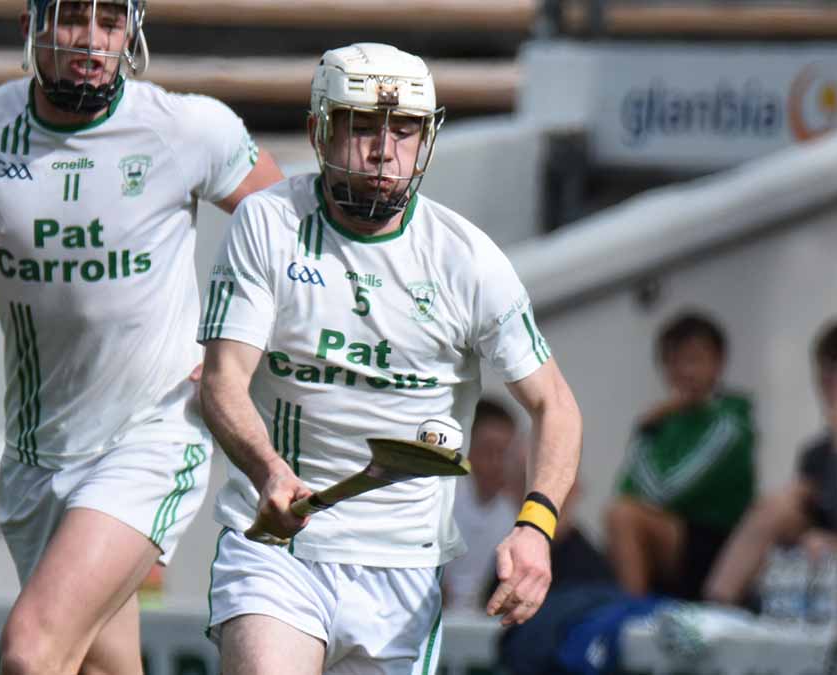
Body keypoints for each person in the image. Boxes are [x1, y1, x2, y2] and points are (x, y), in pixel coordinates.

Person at [0, 1, 283, 672]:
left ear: (132, 34)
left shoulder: (188, 129)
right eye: (71, 18)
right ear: (30, 26)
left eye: (110, 22)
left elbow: (287, 237)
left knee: (31, 650)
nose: (91, 41)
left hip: (154, 433)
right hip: (38, 455)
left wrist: (238, 348)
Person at [197, 42, 582, 674]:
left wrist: (535, 526)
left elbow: (555, 405)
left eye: (404, 130)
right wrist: (268, 470)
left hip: (403, 569)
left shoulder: (466, 259)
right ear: (319, 132)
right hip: (280, 550)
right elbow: (222, 380)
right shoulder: (268, 224)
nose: (384, 149)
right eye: (362, 127)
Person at [705, 321, 837, 621]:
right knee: (776, 508)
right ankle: (716, 610)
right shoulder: (817, 451)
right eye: (828, 377)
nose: (836, 389)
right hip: (827, 556)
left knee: (817, 548)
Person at [606, 311, 755, 600]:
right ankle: (632, 610)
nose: (684, 372)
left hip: (719, 548)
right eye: (673, 362)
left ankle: (633, 612)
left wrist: (645, 431)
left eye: (694, 360)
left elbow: (664, 492)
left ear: (718, 362)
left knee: (623, 516)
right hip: (675, 539)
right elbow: (625, 488)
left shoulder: (729, 422)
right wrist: (647, 430)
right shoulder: (664, 421)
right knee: (619, 514)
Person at [443, 398, 524, 611]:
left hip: (473, 620)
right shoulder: (443, 499)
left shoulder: (508, 514)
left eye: (505, 453)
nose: (498, 464)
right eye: (488, 451)